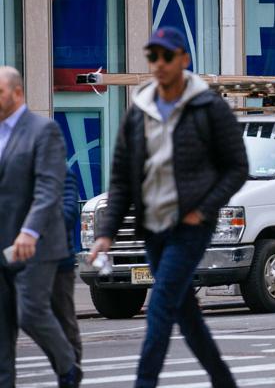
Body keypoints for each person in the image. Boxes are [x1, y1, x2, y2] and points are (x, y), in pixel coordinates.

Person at [87, 27, 248, 388]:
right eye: (153, 56)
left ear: (183, 60)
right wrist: (105, 235)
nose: (159, 63)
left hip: (190, 226)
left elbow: (237, 167)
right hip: (154, 227)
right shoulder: (138, 110)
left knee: (159, 309)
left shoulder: (209, 107)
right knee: (184, 312)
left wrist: (203, 209)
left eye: (166, 56)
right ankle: (224, 381)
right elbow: (121, 180)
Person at [0, 66, 82, 388]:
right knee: (2, 332)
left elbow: (50, 188)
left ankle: (67, 367)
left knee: (30, 314)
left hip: (37, 246)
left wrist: (30, 231)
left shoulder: (43, 130)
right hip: (2, 246)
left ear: (17, 92)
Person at [52, 168, 83, 367]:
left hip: (57, 260)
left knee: (64, 320)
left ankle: (70, 368)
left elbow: (70, 212)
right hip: (19, 261)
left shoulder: (62, 171)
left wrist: (33, 228)